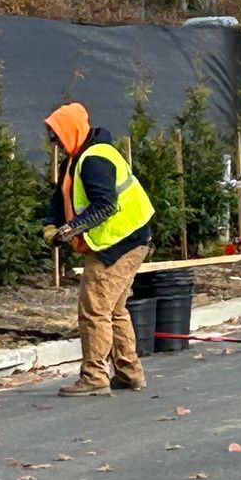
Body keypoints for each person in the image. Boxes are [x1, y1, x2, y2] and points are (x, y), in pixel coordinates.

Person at [41, 101, 155, 397]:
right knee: (114, 310)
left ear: (71, 131)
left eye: (57, 135)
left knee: (93, 309)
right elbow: (60, 196)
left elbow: (106, 206)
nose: (54, 142)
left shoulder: (94, 160)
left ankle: (94, 376)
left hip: (120, 243)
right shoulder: (76, 158)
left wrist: (69, 230)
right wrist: (49, 225)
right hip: (126, 240)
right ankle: (129, 373)